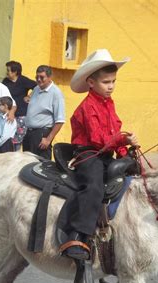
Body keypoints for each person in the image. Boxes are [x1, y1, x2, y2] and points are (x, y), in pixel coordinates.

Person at [59, 49, 138, 261]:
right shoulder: (87, 106)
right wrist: (122, 140)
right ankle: (77, 236)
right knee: (93, 186)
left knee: (132, 175)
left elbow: (115, 130)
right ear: (91, 83)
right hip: (89, 155)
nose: (111, 86)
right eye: (106, 82)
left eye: (113, 81)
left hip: (104, 153)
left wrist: (125, 153)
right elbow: (97, 138)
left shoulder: (109, 104)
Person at [22, 65, 65, 160]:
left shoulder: (56, 93)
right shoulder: (36, 89)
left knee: (40, 167)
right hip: (29, 133)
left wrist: (48, 139)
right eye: (37, 77)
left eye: (42, 77)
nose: (38, 79)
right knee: (26, 165)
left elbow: (60, 120)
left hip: (41, 135)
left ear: (49, 78)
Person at [2, 61, 36, 151]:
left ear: (15, 72)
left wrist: (29, 96)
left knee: (17, 142)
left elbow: (37, 86)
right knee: (8, 139)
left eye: (8, 70)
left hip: (21, 115)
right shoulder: (5, 82)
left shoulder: (23, 80)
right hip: (9, 115)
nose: (6, 72)